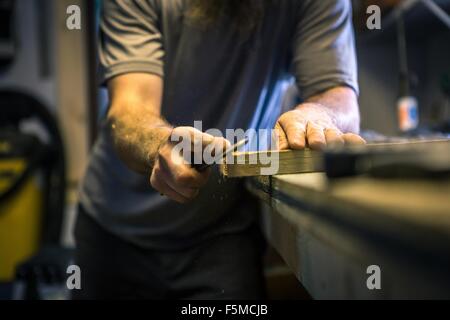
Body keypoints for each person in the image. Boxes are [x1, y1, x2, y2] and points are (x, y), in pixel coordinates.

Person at [73, 0, 365, 300]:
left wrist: (319, 116)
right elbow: (129, 110)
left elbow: (337, 94)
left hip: (222, 233)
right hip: (114, 232)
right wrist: (160, 144)